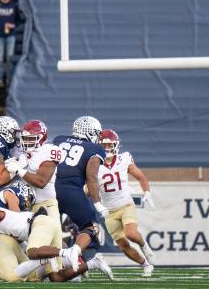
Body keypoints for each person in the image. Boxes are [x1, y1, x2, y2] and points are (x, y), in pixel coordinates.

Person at [97, 129, 156, 276]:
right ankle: (145, 264)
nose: (107, 148)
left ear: (116, 145)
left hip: (125, 205)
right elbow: (88, 186)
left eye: (110, 145)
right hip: (109, 211)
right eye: (103, 145)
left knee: (130, 233)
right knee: (123, 245)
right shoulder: (93, 164)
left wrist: (147, 192)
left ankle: (144, 245)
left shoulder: (124, 159)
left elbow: (141, 177)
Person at [53, 116, 106, 255]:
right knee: (90, 228)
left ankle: (59, 264)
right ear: (90, 132)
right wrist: (97, 203)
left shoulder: (59, 140)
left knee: (52, 231)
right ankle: (75, 257)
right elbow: (91, 177)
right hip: (71, 191)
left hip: (49, 190)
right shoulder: (95, 149)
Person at [7, 119, 64, 250]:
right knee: (29, 246)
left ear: (41, 138)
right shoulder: (23, 154)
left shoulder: (48, 151)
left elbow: (41, 182)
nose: (26, 141)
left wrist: (19, 170)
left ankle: (76, 260)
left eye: (30, 138)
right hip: (26, 207)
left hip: (45, 205)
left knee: (53, 247)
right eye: (24, 138)